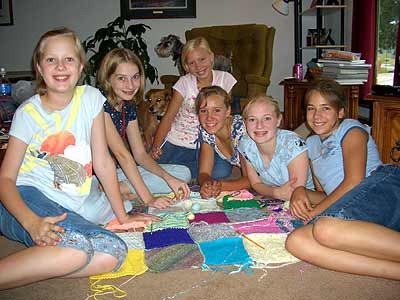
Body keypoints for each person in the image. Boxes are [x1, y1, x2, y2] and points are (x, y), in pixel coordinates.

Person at [0, 28, 161, 290]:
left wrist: (123, 217)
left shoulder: (91, 98)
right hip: (24, 201)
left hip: (66, 205)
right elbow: (5, 178)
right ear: (39, 67)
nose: (61, 67)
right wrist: (31, 223)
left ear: (81, 65)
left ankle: (52, 258)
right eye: (51, 60)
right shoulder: (28, 113)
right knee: (77, 249)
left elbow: (104, 162)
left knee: (112, 251)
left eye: (69, 59)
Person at [285, 79, 400, 280]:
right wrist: (300, 190)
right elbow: (326, 195)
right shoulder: (310, 144)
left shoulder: (351, 128)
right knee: (296, 241)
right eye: (311, 108)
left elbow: (354, 181)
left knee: (323, 227)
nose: (317, 116)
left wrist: (313, 213)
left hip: (382, 186)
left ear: (340, 112)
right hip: (353, 203)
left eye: (325, 108)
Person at [96, 48, 190, 208]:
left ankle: (122, 189)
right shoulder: (98, 102)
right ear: (108, 78)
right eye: (121, 78)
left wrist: (168, 178)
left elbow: (140, 154)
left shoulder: (128, 105)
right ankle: (115, 190)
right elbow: (122, 155)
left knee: (183, 174)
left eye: (135, 77)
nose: (130, 85)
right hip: (95, 176)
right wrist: (149, 199)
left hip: (116, 173)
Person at [150, 37, 237, 179]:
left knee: (222, 172)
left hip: (211, 143)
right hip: (178, 141)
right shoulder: (183, 83)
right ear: (186, 66)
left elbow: (226, 117)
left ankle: (181, 171)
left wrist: (230, 147)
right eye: (192, 63)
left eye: (202, 59)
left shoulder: (225, 80)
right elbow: (168, 117)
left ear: (211, 57)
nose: (198, 66)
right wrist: (156, 145)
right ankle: (183, 170)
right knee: (151, 163)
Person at [238, 95, 314, 201]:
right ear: (245, 123)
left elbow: (295, 191)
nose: (259, 126)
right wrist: (274, 193)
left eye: (267, 118)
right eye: (252, 120)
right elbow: (255, 183)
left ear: (278, 120)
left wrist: (275, 193)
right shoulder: (246, 144)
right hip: (276, 195)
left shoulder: (292, 145)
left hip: (307, 195)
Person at [195, 86, 250, 198]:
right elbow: (204, 173)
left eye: (217, 110)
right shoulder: (206, 131)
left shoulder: (240, 130)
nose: (209, 118)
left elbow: (251, 180)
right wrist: (207, 184)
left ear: (228, 111)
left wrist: (221, 186)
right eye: (203, 111)